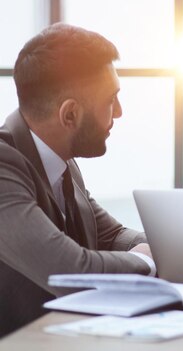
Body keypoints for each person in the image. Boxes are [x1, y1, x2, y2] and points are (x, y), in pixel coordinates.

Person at [0, 23, 155, 337]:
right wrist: (145, 261)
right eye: (111, 100)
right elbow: (69, 269)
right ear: (69, 115)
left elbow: (109, 233)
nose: (120, 112)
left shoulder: (61, 161)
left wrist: (167, 245)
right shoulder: (3, 168)